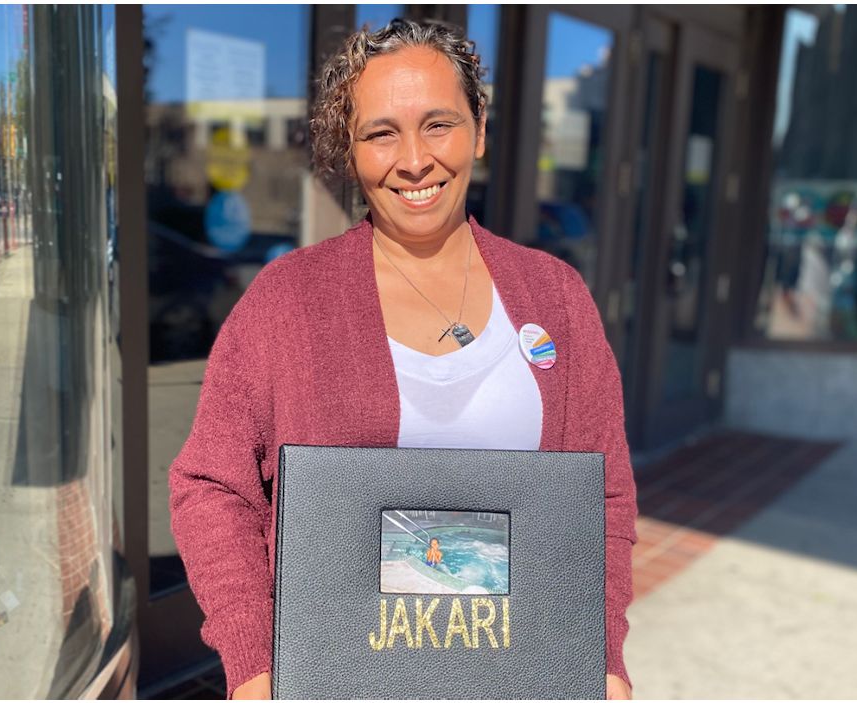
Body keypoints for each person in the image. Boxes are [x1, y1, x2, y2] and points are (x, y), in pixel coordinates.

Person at [169, 18, 637, 699]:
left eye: (438, 124)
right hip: (336, 683)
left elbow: (605, 497)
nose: (414, 160)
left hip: (521, 681)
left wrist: (603, 656)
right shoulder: (288, 300)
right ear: (351, 149)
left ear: (480, 130)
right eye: (381, 133)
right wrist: (252, 664)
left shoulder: (555, 295)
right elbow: (212, 485)